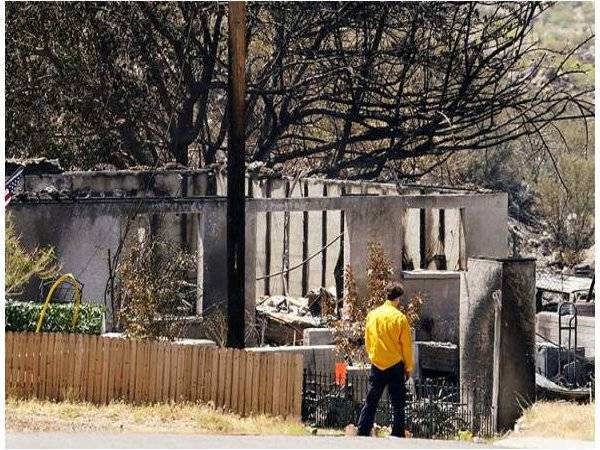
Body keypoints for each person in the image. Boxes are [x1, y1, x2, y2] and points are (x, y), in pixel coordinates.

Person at [356, 281, 413, 438]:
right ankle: (398, 432)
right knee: (398, 403)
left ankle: (362, 430)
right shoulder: (400, 318)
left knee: (371, 400)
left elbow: (368, 340)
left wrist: (373, 356)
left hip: (378, 364)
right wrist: (408, 367)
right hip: (395, 365)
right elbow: (406, 346)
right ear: (397, 299)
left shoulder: (373, 315)